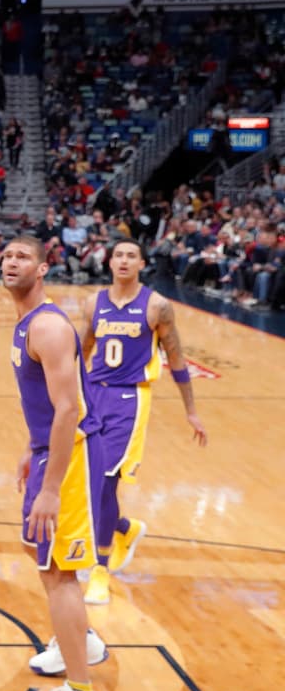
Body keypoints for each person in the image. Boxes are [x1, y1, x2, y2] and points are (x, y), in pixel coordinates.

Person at [1, 234, 104, 691]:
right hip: (47, 452)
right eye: (6, 255)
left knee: (59, 571)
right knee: (37, 551)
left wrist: (51, 486)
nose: (10, 262)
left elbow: (70, 409)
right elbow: (47, 406)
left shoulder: (47, 326)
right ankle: (81, 641)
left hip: (69, 459)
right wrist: (30, 449)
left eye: (22, 257)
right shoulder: (26, 322)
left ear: (42, 269)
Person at [75, 237, 208, 606]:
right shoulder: (92, 303)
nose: (123, 260)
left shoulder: (157, 306)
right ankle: (122, 528)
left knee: (104, 481)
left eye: (131, 255)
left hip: (130, 399)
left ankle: (99, 569)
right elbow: (81, 353)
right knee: (90, 481)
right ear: (110, 261)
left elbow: (177, 358)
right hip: (94, 396)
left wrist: (191, 411)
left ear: (141, 263)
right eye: (118, 254)